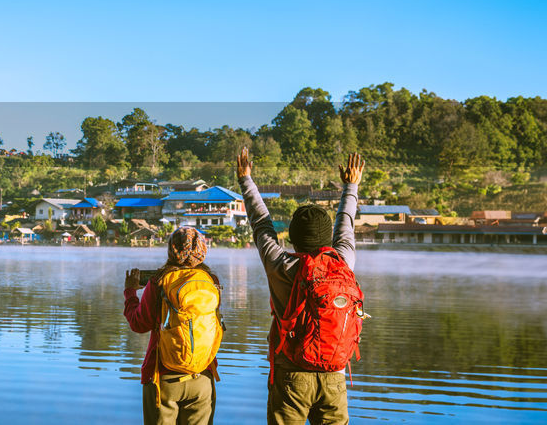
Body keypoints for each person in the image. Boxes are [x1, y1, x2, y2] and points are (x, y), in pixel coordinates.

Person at [236, 147, 365, 425]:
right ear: (328, 239)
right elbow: (346, 224)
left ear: (292, 238)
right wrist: (350, 186)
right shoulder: (343, 261)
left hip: (292, 374)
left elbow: (261, 223)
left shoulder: (280, 264)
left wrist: (246, 180)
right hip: (335, 375)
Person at [123, 227, 224, 425]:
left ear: (172, 250)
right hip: (202, 375)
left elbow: (138, 323)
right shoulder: (212, 282)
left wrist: (130, 293)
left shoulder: (159, 282)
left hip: (163, 378)